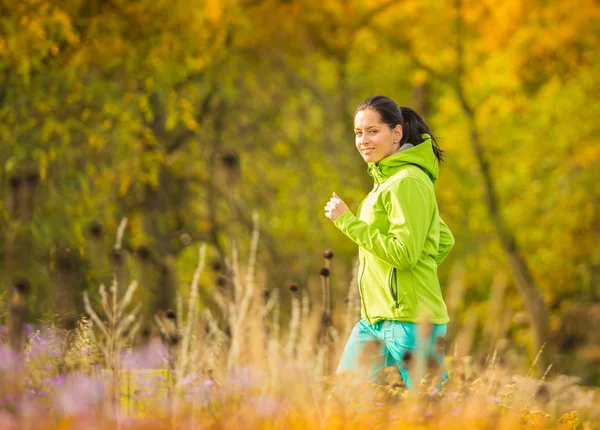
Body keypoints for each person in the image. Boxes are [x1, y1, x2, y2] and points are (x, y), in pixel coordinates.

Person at [324, 95, 454, 390]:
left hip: (410, 322)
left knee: (437, 412)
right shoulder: (387, 181)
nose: (363, 140)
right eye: (358, 133)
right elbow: (442, 239)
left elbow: (405, 254)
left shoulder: (407, 181)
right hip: (375, 320)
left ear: (396, 133)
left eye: (373, 131)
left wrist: (347, 220)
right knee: (345, 401)